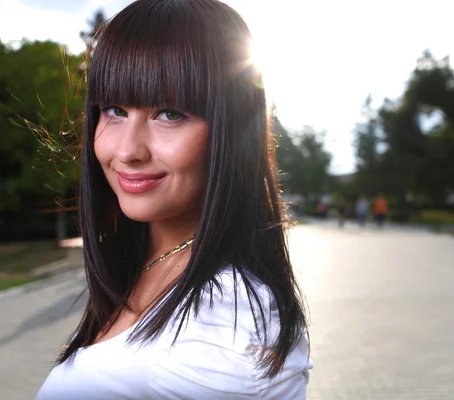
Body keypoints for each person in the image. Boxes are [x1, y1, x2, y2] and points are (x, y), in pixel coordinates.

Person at [36, 1, 311, 398]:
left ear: (232, 132)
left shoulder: (226, 325)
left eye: (169, 114)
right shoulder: (143, 263)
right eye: (114, 110)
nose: (128, 150)